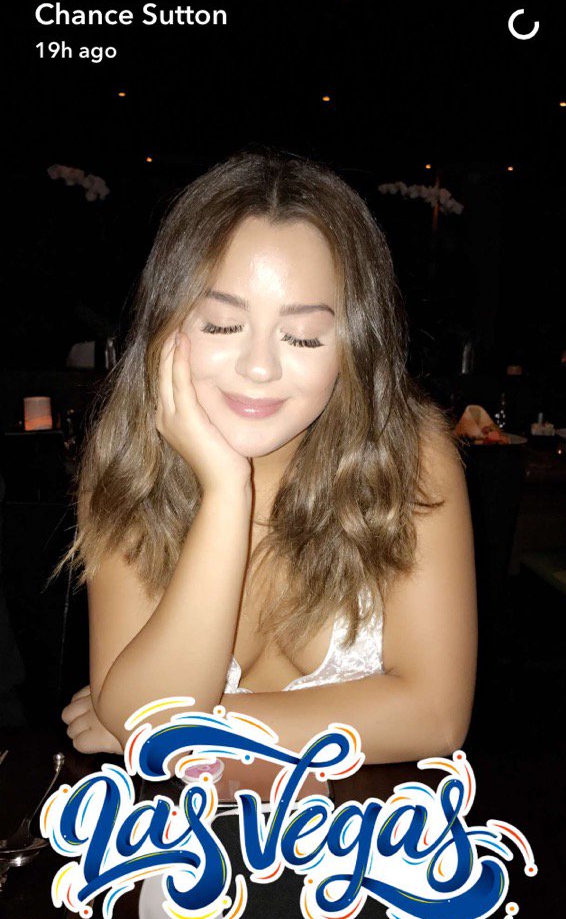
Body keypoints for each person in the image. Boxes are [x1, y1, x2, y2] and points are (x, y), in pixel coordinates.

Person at [57, 148, 477, 777]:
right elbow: (152, 722)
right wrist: (226, 490)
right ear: (168, 324)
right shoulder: (129, 460)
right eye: (222, 325)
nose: (259, 368)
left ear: (354, 345)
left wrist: (191, 731)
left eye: (302, 336)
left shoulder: (410, 453)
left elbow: (435, 717)